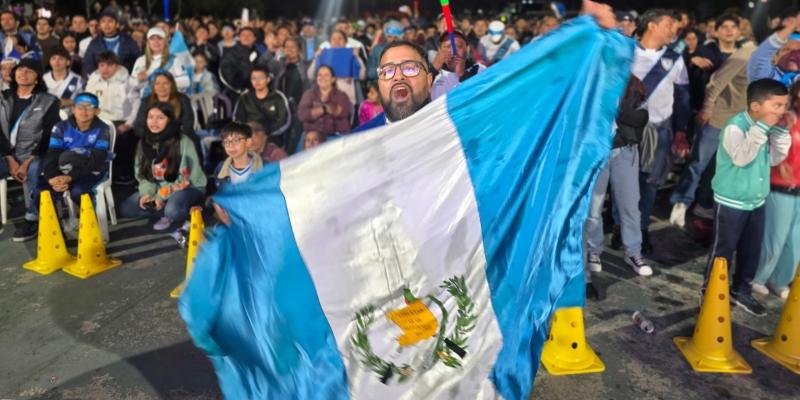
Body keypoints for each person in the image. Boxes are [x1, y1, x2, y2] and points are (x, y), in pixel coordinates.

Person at [704, 79, 792, 316]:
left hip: (756, 201)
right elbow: (741, 159)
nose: (782, 111)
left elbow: (773, 160)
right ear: (756, 106)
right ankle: (710, 293)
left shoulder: (766, 128)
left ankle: (741, 291)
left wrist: (781, 134)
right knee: (722, 251)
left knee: (750, 251)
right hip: (731, 201)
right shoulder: (735, 127)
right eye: (777, 105)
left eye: (784, 105)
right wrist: (762, 129)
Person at [670, 39, 757, 228]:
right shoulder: (746, 55)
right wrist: (707, 109)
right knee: (698, 163)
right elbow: (716, 82)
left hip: (740, 125)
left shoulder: (772, 62)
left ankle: (703, 205)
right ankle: (681, 202)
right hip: (717, 119)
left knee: (718, 168)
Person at [632, 9, 690, 253]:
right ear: (652, 26)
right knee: (624, 183)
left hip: (659, 130)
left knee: (650, 183)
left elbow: (683, 96)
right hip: (627, 128)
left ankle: (641, 230)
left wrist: (681, 131)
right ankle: (621, 228)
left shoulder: (674, 58)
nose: (673, 30)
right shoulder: (626, 54)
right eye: (668, 25)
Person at [585, 76, 653, 279]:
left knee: (630, 206)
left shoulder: (634, 86)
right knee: (594, 208)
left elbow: (640, 117)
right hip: (596, 151)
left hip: (625, 151)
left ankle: (633, 252)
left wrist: (613, 108)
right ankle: (593, 250)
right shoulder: (592, 80)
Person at [120, 102, 206, 233]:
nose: (154, 122)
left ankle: (191, 208)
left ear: (169, 120)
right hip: (159, 188)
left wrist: (160, 197)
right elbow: (142, 176)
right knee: (127, 208)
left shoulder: (183, 141)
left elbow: (185, 180)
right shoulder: (143, 142)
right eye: (151, 117)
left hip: (189, 186)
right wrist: (147, 194)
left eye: (160, 118)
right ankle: (164, 210)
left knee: (173, 211)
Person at [0, 58, 60, 241]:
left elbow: (49, 134)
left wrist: (26, 162)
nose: (23, 73)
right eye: (20, 69)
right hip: (5, 154)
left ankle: (32, 218)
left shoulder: (49, 101)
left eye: (29, 71)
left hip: (35, 154)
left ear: (37, 78)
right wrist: (10, 158)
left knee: (34, 170)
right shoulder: (3, 97)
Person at [31, 93, 111, 230]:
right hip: (61, 170)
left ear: (97, 111)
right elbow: (52, 155)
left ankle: (94, 227)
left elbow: (96, 160)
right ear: (73, 109)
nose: (84, 111)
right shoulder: (61, 127)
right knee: (40, 193)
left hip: (90, 171)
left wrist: (70, 177)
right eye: (80, 107)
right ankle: (56, 231)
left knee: (78, 192)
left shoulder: (102, 129)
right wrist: (52, 178)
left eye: (90, 107)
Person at [752, 80, 800, 300]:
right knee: (775, 239)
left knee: (795, 243)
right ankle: (758, 278)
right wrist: (780, 165)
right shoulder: (784, 118)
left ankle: (780, 280)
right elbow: (769, 148)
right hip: (779, 187)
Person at [84, 51, 140, 185]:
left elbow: (137, 104)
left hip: (121, 120)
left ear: (117, 66)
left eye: (109, 65)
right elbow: (86, 100)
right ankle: (95, 173)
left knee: (125, 138)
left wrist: (129, 124)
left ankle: (125, 175)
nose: (105, 69)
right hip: (99, 120)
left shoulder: (127, 80)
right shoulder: (93, 79)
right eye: (102, 65)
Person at [233, 66, 291, 146]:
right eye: (254, 78)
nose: (257, 81)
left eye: (260, 78)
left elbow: (284, 121)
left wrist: (265, 134)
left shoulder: (278, 97)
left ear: (268, 79)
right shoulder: (245, 98)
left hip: (272, 138)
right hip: (249, 139)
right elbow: (237, 120)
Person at [309, 30, 366, 106]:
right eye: (334, 39)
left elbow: (362, 76)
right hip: (325, 99)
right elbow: (310, 75)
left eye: (340, 38)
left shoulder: (352, 55)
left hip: (347, 99)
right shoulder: (323, 55)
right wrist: (316, 57)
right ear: (329, 43)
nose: (337, 41)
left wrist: (357, 57)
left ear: (345, 42)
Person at [130, 27, 190, 97]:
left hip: (169, 100)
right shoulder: (140, 61)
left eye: (159, 38)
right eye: (152, 39)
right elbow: (131, 85)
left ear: (165, 41)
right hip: (147, 101)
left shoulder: (174, 60)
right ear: (148, 42)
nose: (156, 42)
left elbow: (186, 82)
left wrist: (164, 83)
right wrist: (139, 80)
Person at [298, 64, 352, 137]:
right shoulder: (309, 94)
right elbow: (302, 115)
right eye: (320, 75)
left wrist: (315, 110)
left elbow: (342, 112)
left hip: (336, 136)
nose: (322, 78)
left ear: (333, 79)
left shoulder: (342, 95)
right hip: (312, 137)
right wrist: (324, 109)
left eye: (326, 75)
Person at [748, 13, 800, 87]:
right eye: (787, 49)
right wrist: (792, 26)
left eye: (798, 51)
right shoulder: (766, 76)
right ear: (775, 57)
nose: (793, 55)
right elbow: (761, 57)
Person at [431, 30, 485, 100]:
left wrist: (464, 77)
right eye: (447, 47)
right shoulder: (434, 76)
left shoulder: (480, 70)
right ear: (440, 50)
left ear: (467, 49)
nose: (453, 51)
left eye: (459, 46)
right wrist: (433, 70)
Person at [82, 11, 140, 76]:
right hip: (102, 81)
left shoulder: (128, 41)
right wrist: (100, 76)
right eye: (103, 21)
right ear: (100, 26)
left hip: (124, 80)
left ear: (117, 24)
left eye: (110, 21)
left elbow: (139, 59)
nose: (106, 24)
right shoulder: (95, 43)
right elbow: (87, 63)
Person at [214, 121, 263, 191]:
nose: (230, 145)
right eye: (226, 142)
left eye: (236, 140)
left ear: (248, 142)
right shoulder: (221, 168)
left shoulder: (264, 167)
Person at [219, 27, 260, 98]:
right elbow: (228, 74)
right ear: (239, 38)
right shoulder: (231, 54)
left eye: (249, 35)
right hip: (236, 93)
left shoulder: (257, 53)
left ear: (254, 38)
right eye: (243, 35)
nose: (246, 37)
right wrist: (242, 88)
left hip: (255, 92)